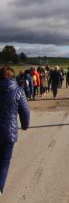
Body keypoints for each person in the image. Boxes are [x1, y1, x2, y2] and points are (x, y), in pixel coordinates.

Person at [0, 66, 30, 195]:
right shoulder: (19, 91)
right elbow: (25, 111)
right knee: (5, 162)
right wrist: (24, 125)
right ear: (13, 77)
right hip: (9, 132)